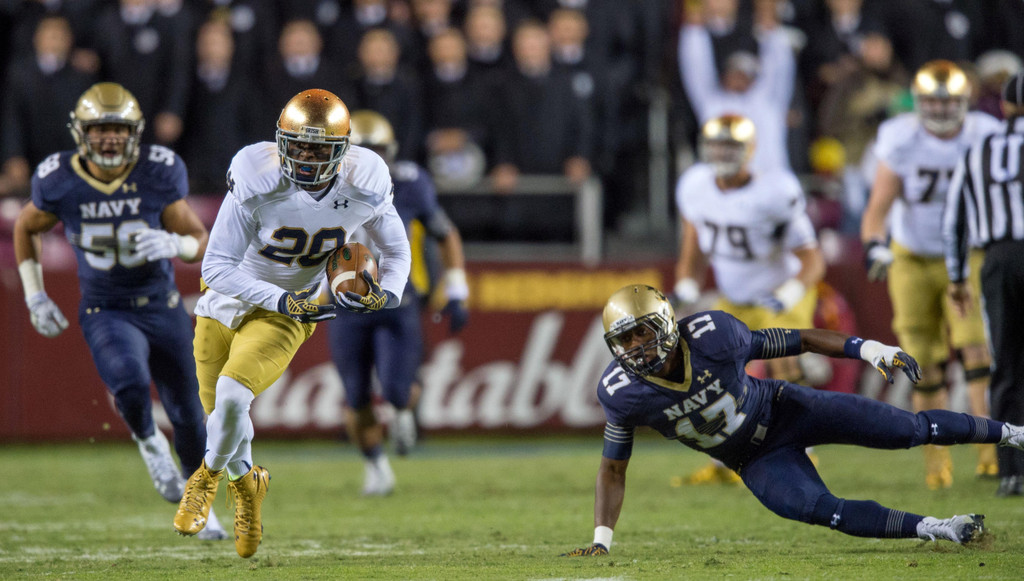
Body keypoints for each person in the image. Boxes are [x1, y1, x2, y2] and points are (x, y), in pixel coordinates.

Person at [562, 284, 1024, 557]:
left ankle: (1012, 434)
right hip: (753, 459)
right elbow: (613, 467)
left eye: (641, 333)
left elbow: (797, 339)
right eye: (623, 341)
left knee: (909, 430)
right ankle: (937, 527)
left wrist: (868, 348)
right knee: (825, 510)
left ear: (665, 325)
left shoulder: (714, 336)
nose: (634, 348)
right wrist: (602, 540)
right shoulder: (621, 393)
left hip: (786, 407)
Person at [172, 89, 411, 558]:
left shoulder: (365, 182)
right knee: (222, 418)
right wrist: (282, 297)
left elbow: (397, 250)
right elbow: (215, 268)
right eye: (297, 145)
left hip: (288, 313)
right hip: (227, 300)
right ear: (281, 141)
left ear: (342, 151)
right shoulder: (257, 176)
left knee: (233, 397)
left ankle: (204, 478)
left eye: (318, 149)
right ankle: (248, 488)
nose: (304, 158)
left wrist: (389, 294)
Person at [12, 82, 227, 540]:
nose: (109, 138)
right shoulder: (59, 178)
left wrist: (175, 242)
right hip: (105, 307)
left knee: (190, 413)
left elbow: (200, 241)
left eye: (117, 129)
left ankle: (199, 504)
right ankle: (149, 443)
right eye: (99, 129)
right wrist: (34, 293)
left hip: (161, 305)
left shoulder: (158, 171)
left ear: (135, 132)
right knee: (128, 381)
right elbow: (26, 227)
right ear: (81, 133)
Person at [860, 59, 1002, 490]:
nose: (940, 110)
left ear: (966, 100)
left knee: (977, 350)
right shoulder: (900, 137)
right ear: (918, 103)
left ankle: (989, 453)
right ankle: (937, 462)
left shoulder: (985, 134)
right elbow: (878, 207)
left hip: (968, 254)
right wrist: (875, 245)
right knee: (924, 362)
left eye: (948, 101)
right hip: (914, 257)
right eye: (932, 101)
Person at [672, 113, 825, 484]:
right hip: (734, 297)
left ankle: (803, 454)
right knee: (708, 371)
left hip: (780, 294)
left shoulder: (775, 192)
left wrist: (788, 292)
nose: (723, 152)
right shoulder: (695, 186)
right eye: (717, 144)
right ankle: (727, 461)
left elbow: (813, 259)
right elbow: (692, 249)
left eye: (731, 145)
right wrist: (687, 285)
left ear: (750, 150)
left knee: (783, 364)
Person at [326, 110, 469, 496]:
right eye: (364, 150)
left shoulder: (408, 182)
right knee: (355, 397)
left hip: (395, 300)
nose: (373, 159)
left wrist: (456, 289)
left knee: (396, 389)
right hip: (344, 305)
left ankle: (403, 410)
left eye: (379, 150)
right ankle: (376, 467)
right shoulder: (319, 184)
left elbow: (445, 232)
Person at [944, 73, 1024, 497]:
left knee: (1006, 366)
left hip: (999, 259)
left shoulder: (979, 150)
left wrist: (956, 277)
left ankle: (1012, 470)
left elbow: (954, 218)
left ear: (1006, 107)